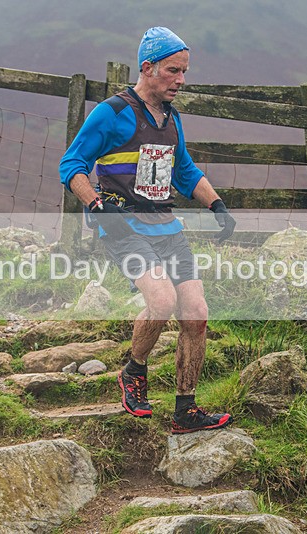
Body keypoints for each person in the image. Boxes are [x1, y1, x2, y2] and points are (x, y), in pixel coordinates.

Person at [59, 27, 237, 434]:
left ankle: (185, 410)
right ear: (147, 67)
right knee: (161, 299)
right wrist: (96, 205)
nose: (181, 80)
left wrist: (217, 204)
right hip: (123, 224)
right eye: (173, 71)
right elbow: (72, 165)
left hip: (166, 226)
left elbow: (185, 170)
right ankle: (133, 372)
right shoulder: (113, 112)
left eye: (184, 72)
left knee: (196, 313)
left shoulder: (172, 119)